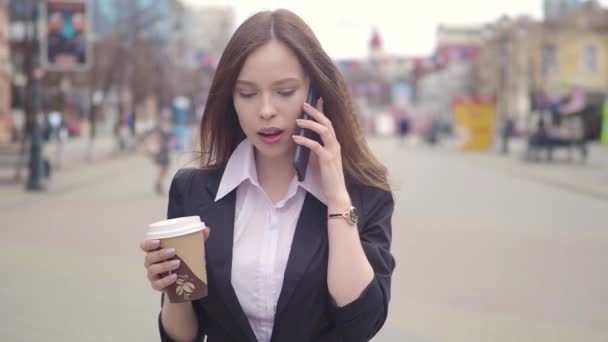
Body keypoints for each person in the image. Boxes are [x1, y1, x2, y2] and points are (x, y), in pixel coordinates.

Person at [139, 9, 395, 342]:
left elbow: (362, 323)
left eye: (285, 91)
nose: (265, 110)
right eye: (247, 93)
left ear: (315, 93)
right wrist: (174, 288)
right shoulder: (193, 191)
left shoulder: (364, 194)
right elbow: (182, 337)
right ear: (230, 98)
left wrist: (336, 198)